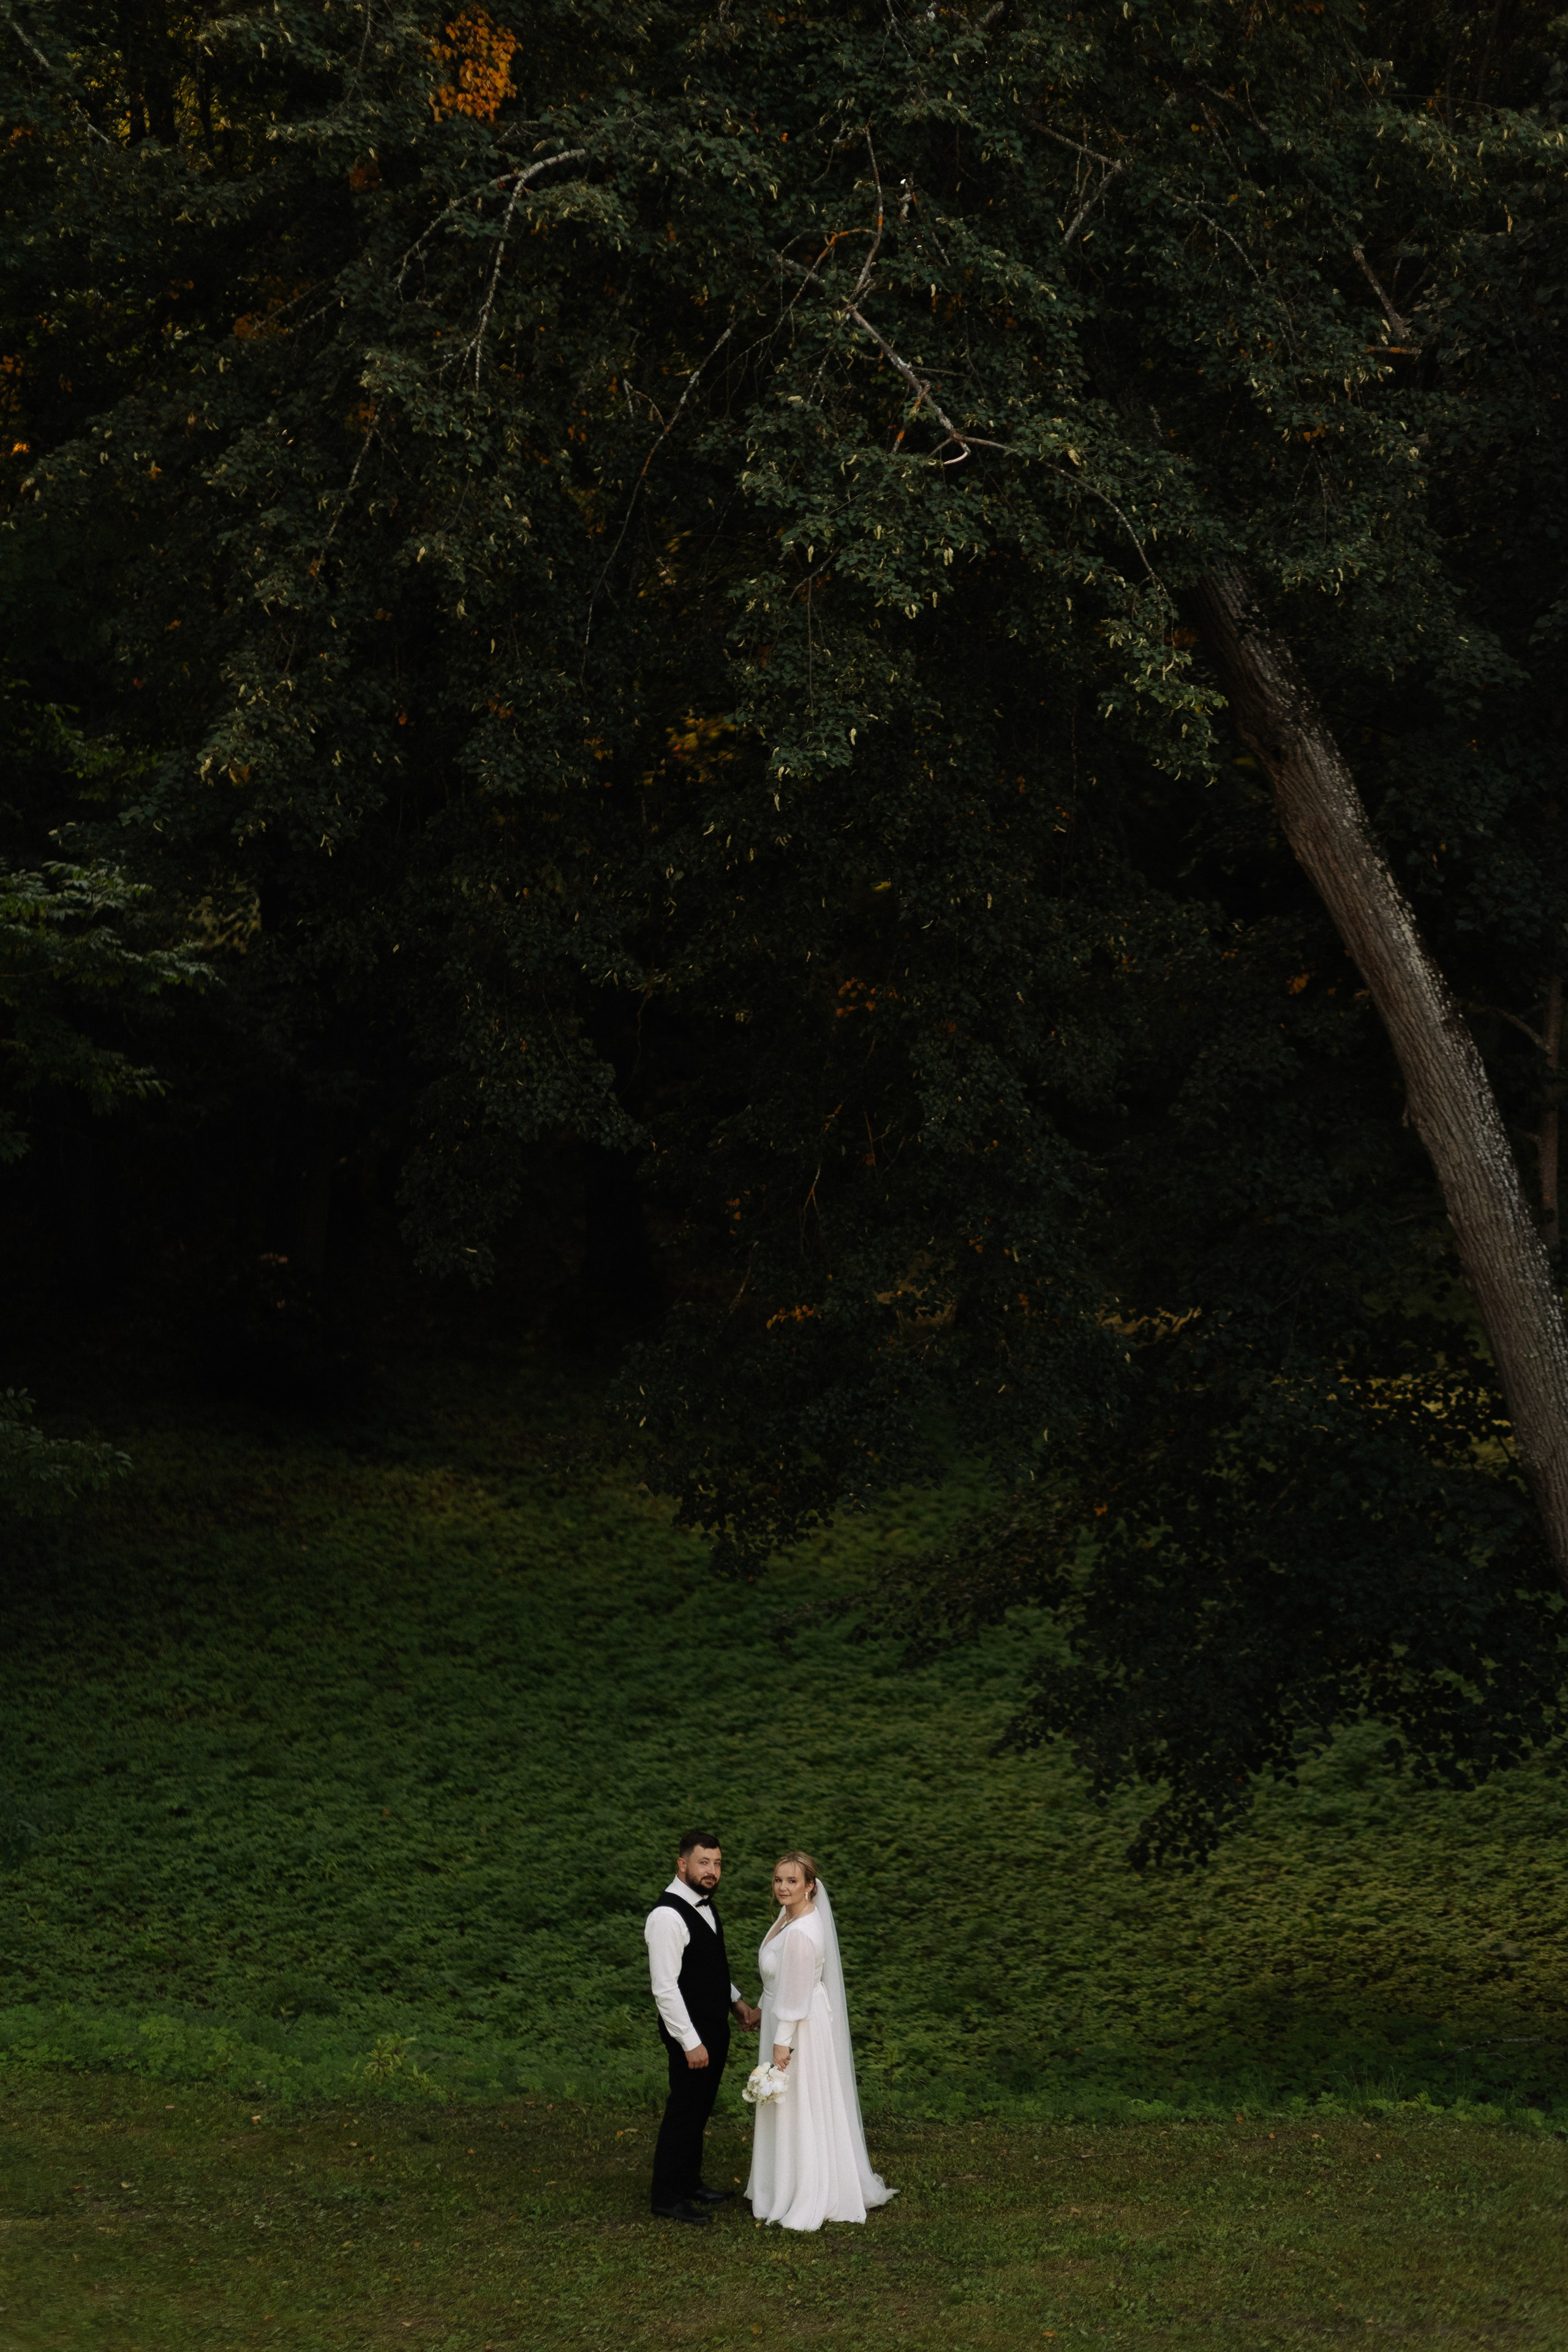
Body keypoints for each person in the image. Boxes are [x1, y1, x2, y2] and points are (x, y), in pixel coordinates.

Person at [745, 1850, 896, 2231]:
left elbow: (795, 1994)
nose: (783, 1887)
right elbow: (781, 1981)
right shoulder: (788, 1916)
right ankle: (784, 2180)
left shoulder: (801, 1931)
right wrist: (765, 2007)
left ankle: (807, 2189)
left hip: (798, 2027)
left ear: (810, 1886)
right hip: (787, 2015)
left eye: (792, 1881)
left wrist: (782, 2043)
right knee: (795, 2101)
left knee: (797, 2099)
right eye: (779, 1880)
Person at [643, 1826, 762, 2225]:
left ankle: (689, 2181)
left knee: (700, 2109)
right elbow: (665, 1988)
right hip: (688, 2032)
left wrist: (736, 2001)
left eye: (717, 1863)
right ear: (682, 1864)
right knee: (684, 2109)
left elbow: (708, 1968)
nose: (712, 1870)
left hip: (713, 2025)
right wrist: (691, 2042)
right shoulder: (666, 1916)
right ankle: (666, 2195)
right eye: (703, 1862)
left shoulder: (704, 1906)